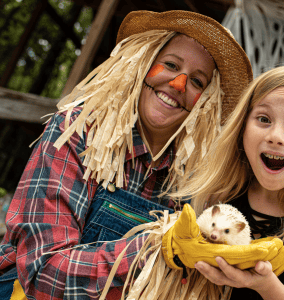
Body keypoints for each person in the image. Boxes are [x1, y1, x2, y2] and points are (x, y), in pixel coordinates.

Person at [0, 10, 253, 299]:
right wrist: (155, 249)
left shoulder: (197, 181)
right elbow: (43, 273)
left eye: (198, 82)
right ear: (142, 63)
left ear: (206, 102)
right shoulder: (78, 131)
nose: (179, 84)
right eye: (170, 64)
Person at [170, 64, 284, 300]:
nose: (276, 137)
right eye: (264, 119)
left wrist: (267, 287)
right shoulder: (216, 195)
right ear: (243, 127)